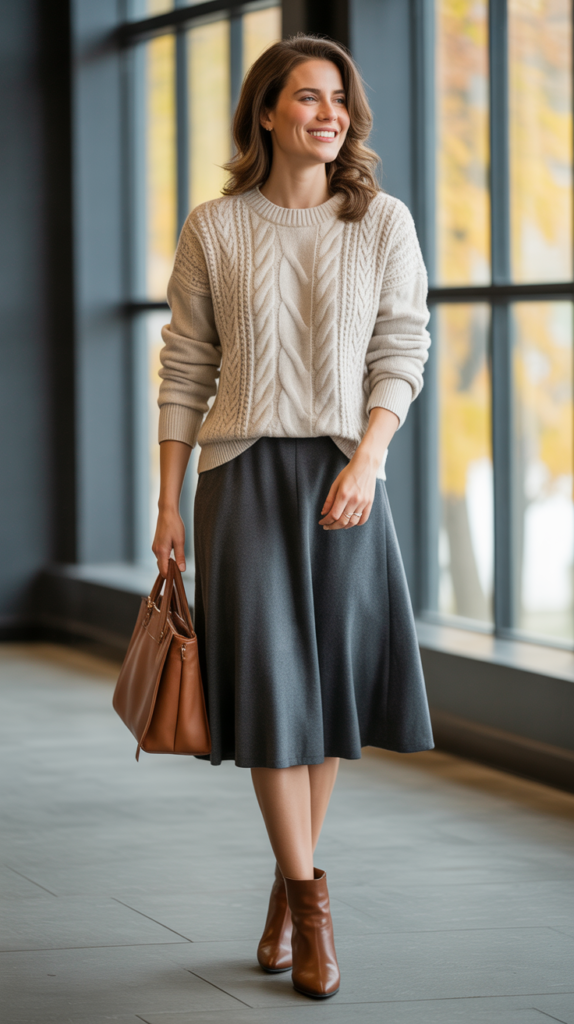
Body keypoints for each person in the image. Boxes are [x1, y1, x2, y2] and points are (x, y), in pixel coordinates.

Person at [152, 33, 434, 1000]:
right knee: (275, 696)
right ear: (265, 111)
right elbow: (186, 365)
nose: (329, 114)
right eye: (307, 97)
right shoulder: (215, 227)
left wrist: (368, 458)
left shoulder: (383, 222)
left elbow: (403, 347)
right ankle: (312, 910)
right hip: (240, 477)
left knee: (323, 702)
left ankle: (288, 885)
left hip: (346, 478)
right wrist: (167, 501)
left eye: (341, 101)